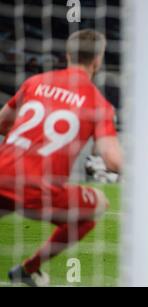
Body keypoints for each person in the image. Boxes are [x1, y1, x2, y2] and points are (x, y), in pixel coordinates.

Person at [0, 29, 122, 287]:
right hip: (37, 190)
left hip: (2, 174)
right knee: (98, 204)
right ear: (97, 60)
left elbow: (2, 123)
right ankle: (29, 269)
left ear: (67, 54)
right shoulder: (98, 104)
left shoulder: (35, 82)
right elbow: (111, 159)